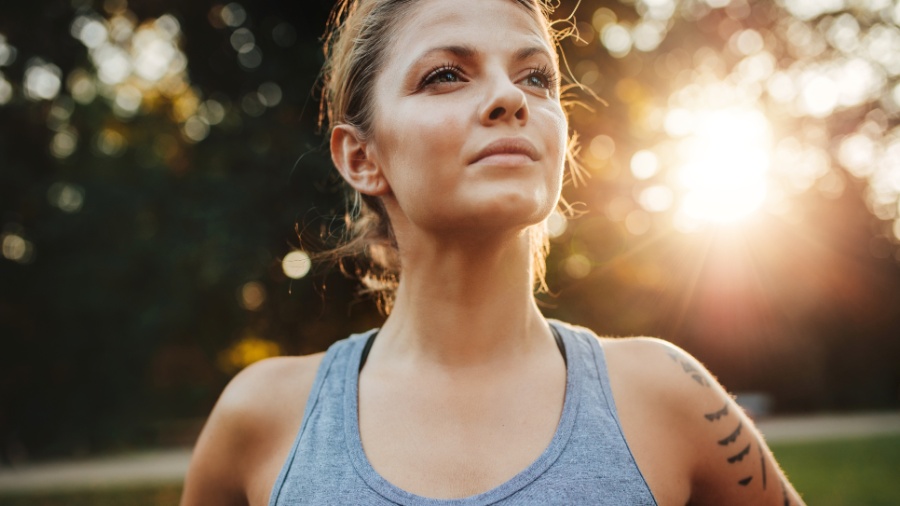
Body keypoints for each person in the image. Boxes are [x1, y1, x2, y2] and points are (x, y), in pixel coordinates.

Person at [181, 0, 805, 504]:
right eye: (445, 75)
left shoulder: (669, 394)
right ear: (361, 158)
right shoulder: (262, 417)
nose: (513, 99)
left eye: (535, 77)